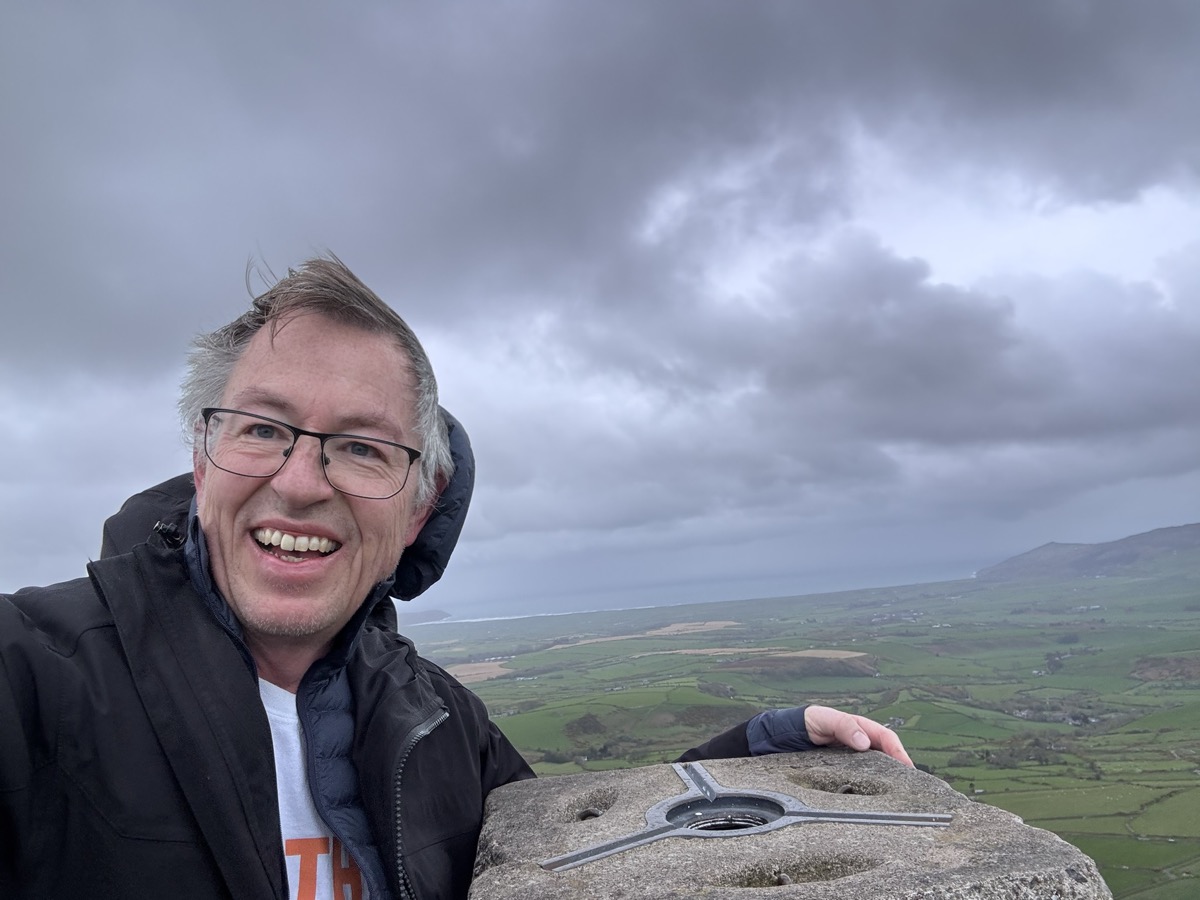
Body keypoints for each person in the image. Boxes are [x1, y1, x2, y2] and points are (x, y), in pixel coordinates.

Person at [0, 256, 911, 900]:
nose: (300, 481)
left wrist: (762, 749)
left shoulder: (432, 717)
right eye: (261, 428)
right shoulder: (29, 679)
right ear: (202, 460)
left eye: (361, 448)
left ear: (419, 508)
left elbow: (569, 843)